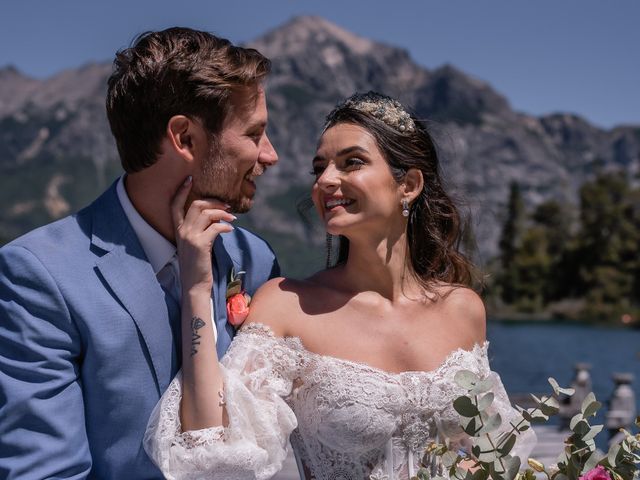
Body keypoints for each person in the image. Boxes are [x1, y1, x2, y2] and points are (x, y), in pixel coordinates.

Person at [144, 92, 535, 479]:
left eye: (352, 163)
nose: (327, 180)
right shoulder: (287, 306)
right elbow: (210, 449)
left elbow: (488, 454)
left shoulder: (463, 309)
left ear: (409, 185)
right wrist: (197, 287)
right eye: (320, 168)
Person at [0, 27, 279, 479]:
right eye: (255, 133)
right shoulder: (40, 275)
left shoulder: (255, 259)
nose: (271, 155)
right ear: (185, 138)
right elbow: (46, 471)